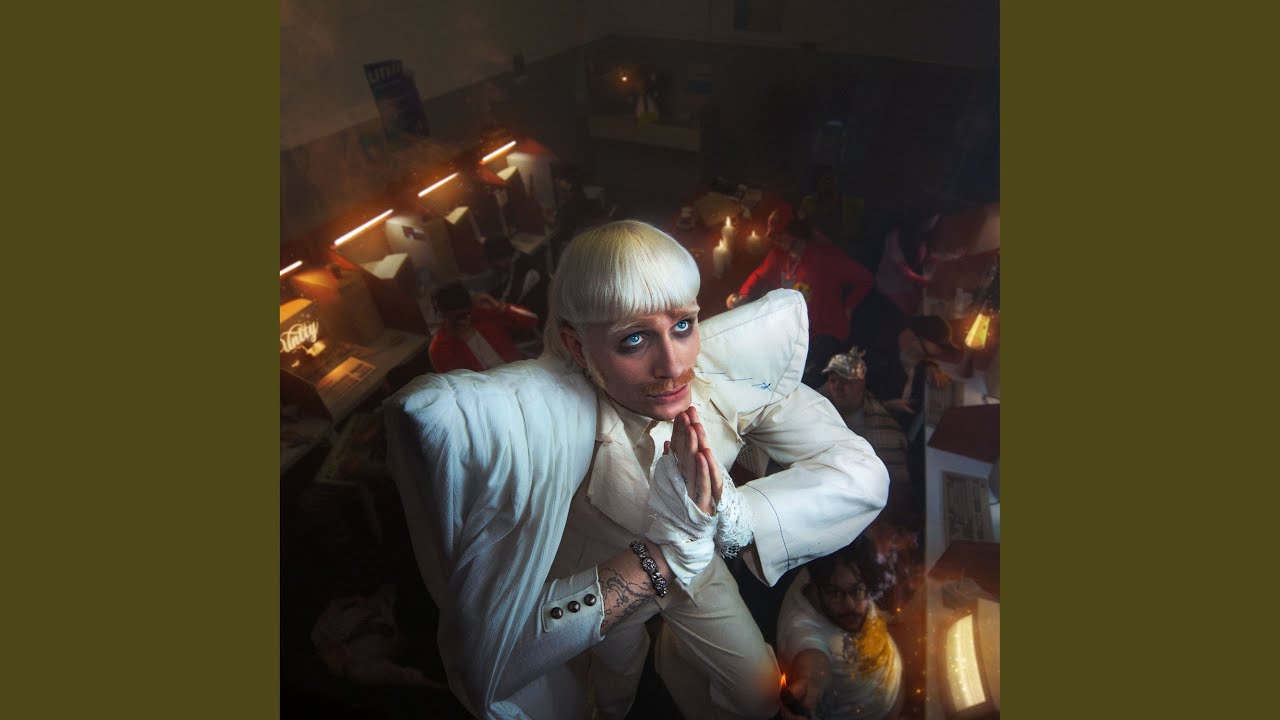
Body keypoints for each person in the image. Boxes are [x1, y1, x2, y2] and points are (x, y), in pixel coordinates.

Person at [384, 220, 889, 719]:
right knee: (613, 696)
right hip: (597, 577)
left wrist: (735, 516)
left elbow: (862, 474)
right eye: (633, 341)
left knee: (757, 695)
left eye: (683, 326)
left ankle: (677, 657)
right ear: (578, 347)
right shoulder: (548, 433)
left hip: (700, 570)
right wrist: (666, 557)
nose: (673, 366)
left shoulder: (728, 379)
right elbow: (493, 659)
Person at [727, 203, 876, 387]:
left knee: (797, 377)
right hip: (792, 327)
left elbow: (865, 278)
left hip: (824, 331)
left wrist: (849, 306)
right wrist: (743, 295)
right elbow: (758, 275)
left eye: (780, 234)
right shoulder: (779, 255)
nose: (775, 240)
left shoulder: (826, 258)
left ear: (796, 233)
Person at [776, 536, 904, 720]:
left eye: (857, 590)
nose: (849, 604)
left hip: (891, 686)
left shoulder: (835, 562)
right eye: (835, 593)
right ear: (816, 588)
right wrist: (809, 681)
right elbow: (812, 662)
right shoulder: (798, 628)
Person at [821, 348, 909, 488]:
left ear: (861, 384)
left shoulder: (886, 434)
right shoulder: (816, 405)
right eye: (833, 380)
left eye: (846, 381)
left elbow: (895, 485)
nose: (838, 386)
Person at [427, 281, 539, 373]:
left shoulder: (484, 314)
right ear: (442, 316)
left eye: (465, 314)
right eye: (454, 317)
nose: (462, 321)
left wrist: (500, 307)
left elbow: (532, 320)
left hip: (520, 373)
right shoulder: (439, 349)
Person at [874, 204, 940, 318]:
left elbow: (927, 258)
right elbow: (904, 270)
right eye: (932, 221)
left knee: (923, 306)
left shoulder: (924, 237)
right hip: (890, 283)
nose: (933, 225)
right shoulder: (895, 237)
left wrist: (936, 261)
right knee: (912, 312)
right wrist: (925, 281)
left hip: (909, 283)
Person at [481, 234, 551, 328]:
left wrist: (492, 302)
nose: (494, 266)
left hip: (537, 317)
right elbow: (504, 286)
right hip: (526, 308)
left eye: (494, 261)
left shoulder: (528, 270)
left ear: (504, 257)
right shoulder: (512, 262)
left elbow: (512, 298)